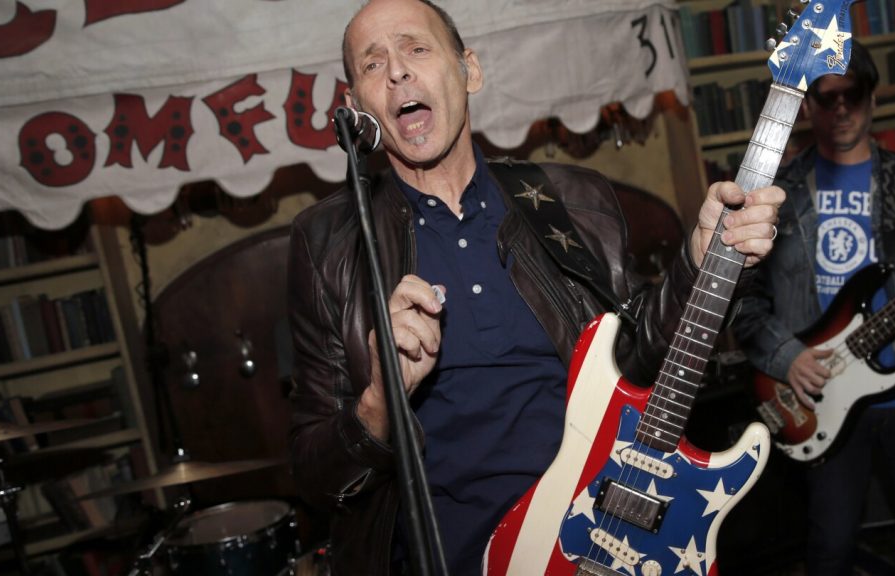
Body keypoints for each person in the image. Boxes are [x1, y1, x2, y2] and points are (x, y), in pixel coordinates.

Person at [286, 0, 783, 574]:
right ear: (355, 111)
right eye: (373, 65)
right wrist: (379, 403)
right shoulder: (328, 244)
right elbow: (313, 474)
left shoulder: (574, 200)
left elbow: (642, 357)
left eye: (416, 48)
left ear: (469, 70)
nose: (397, 71)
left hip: (603, 543)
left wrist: (699, 263)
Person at [732, 39, 895, 575]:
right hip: (817, 399)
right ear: (805, 107)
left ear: (872, 99)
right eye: (825, 98)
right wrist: (788, 358)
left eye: (852, 94)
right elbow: (742, 308)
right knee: (828, 548)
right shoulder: (776, 197)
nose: (841, 109)